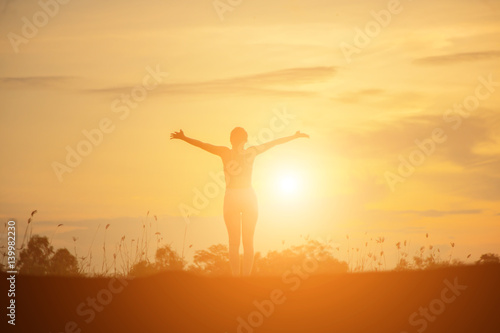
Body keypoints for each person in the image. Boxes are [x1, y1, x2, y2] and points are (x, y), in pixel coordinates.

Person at [170, 127, 309, 276]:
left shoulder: (225, 152)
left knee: (234, 242)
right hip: (248, 196)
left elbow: (203, 145)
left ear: (231, 140)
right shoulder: (251, 151)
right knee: (248, 242)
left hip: (232, 197)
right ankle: (245, 278)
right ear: (246, 139)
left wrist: (184, 138)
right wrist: (293, 136)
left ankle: (236, 278)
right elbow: (273, 143)